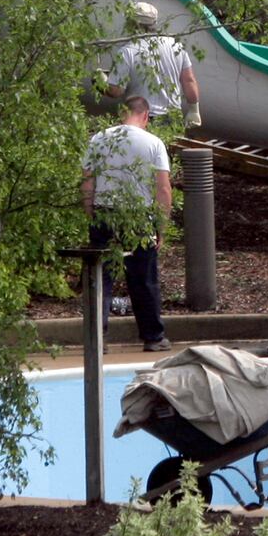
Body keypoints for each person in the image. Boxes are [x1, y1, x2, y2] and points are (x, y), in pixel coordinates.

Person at [82, 95, 174, 352]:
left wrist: (90, 210)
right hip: (139, 216)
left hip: (105, 212)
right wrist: (161, 226)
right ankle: (153, 337)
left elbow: (88, 179)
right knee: (144, 278)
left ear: (122, 113)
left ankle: (97, 338)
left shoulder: (98, 139)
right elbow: (163, 188)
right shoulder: (153, 143)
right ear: (145, 116)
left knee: (101, 277)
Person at [104, 0, 202, 128]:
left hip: (140, 118)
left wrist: (102, 83)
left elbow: (116, 91)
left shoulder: (127, 51)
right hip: (172, 118)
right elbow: (189, 80)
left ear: (132, 24)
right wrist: (194, 110)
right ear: (154, 23)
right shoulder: (175, 45)